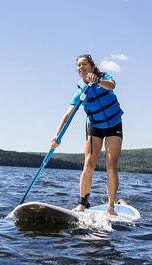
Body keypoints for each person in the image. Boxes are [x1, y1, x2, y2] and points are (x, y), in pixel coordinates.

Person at [51, 54, 124, 215]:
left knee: (111, 166)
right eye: (78, 66)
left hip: (113, 125)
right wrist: (57, 136)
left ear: (92, 67)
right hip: (95, 128)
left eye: (84, 64)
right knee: (88, 164)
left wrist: (96, 81)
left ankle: (111, 206)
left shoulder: (104, 78)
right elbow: (67, 115)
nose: (81, 67)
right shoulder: (80, 92)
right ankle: (82, 203)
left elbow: (112, 85)